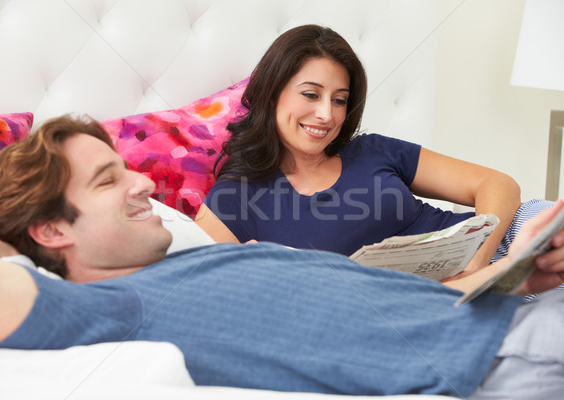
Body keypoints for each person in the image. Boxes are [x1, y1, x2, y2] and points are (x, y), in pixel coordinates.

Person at [0, 114, 564, 399]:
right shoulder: (104, 306)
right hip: (500, 361)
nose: (143, 185)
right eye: (106, 182)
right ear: (49, 231)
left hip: (513, 317)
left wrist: (519, 275)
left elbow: (405, 308)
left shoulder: (195, 263)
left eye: (127, 169)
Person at [196, 24, 552, 277]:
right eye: (310, 94)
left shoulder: (371, 151)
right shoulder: (235, 197)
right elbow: (200, 285)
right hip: (448, 303)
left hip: (516, 238)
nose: (326, 114)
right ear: (272, 93)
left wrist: (478, 259)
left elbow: (497, 184)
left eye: (339, 100)